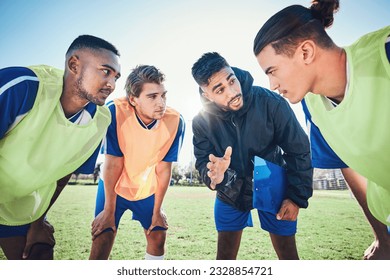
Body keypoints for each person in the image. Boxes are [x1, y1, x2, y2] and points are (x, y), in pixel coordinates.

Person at [253, 0, 390, 259]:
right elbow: (345, 164)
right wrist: (383, 238)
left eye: (273, 71)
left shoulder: (385, 54)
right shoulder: (313, 104)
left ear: (305, 52)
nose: (271, 84)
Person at [0, 35, 121, 260]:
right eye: (105, 71)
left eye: (116, 77)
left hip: (18, 209)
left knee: (39, 254)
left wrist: (39, 220)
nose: (112, 85)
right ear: (74, 65)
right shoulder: (23, 86)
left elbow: (65, 171)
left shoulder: (101, 120)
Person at [191, 52, 313, 260]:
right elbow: (203, 162)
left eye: (232, 81)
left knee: (288, 256)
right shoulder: (201, 121)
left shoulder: (270, 102)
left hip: (272, 183)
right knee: (225, 259)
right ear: (207, 95)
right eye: (219, 90)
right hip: (230, 190)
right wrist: (215, 177)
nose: (232, 92)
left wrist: (295, 197)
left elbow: (298, 150)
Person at [89, 65, 185, 260]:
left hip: (145, 188)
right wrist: (109, 210)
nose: (161, 103)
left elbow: (164, 169)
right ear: (133, 99)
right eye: (152, 96)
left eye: (163, 95)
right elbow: (113, 163)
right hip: (113, 186)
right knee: (103, 236)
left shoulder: (176, 121)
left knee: (157, 234)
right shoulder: (114, 111)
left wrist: (157, 211)